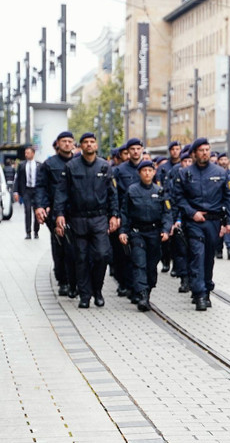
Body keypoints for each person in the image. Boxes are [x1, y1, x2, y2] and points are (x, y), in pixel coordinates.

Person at [170, 138, 230, 311]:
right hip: (193, 222)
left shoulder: (220, 173)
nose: (205, 153)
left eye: (207, 149)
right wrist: (192, 213)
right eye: (201, 150)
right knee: (197, 255)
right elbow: (179, 198)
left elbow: (229, 197)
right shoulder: (184, 174)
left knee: (208, 258)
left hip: (213, 222)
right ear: (194, 153)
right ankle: (199, 293)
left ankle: (207, 288)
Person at [55, 133, 118, 309]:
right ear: (80, 146)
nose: (89, 145)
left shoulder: (105, 167)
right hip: (78, 219)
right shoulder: (71, 167)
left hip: (99, 218)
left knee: (102, 255)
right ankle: (85, 295)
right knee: (80, 258)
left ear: (96, 146)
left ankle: (97, 290)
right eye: (85, 142)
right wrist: (59, 214)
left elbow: (113, 195)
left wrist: (114, 215)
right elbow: (62, 193)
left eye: (92, 142)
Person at [118, 160, 173, 312]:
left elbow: (167, 213)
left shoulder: (160, 191)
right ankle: (142, 295)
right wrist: (123, 231)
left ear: (154, 172)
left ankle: (147, 289)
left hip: (155, 233)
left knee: (151, 266)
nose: (147, 173)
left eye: (150, 170)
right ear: (139, 173)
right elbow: (125, 213)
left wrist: (166, 229)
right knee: (139, 263)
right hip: (137, 232)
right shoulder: (132, 190)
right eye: (144, 171)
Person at [36, 132, 78, 297]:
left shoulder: (79, 163)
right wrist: (40, 206)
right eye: (64, 141)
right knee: (60, 247)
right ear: (58, 144)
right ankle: (63, 281)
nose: (67, 144)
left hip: (76, 213)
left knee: (76, 249)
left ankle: (76, 281)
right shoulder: (49, 164)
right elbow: (41, 187)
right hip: (55, 212)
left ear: (73, 144)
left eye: (69, 141)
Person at [111, 138, 145, 299]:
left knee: (141, 255)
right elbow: (114, 195)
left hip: (144, 218)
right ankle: (128, 285)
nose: (135, 152)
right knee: (124, 254)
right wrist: (115, 215)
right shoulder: (119, 170)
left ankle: (138, 286)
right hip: (125, 217)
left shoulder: (148, 169)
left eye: (138, 149)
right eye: (132, 149)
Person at [14, 144, 38, 239]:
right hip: (26, 191)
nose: (26, 154)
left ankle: (36, 231)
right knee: (27, 211)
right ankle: (28, 232)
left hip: (36, 191)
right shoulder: (22, 165)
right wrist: (16, 192)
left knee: (37, 212)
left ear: (33, 153)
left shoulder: (39, 165)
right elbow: (17, 179)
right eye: (25, 153)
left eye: (28, 153)